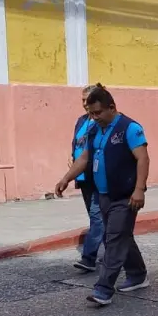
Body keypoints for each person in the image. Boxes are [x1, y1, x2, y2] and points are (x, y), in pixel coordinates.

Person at [54, 87, 150, 306]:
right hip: (103, 194)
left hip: (125, 196)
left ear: (112, 108)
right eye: (91, 113)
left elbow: (143, 159)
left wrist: (139, 190)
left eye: (98, 113)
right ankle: (138, 274)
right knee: (120, 235)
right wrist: (66, 178)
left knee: (113, 240)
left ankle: (103, 288)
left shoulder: (130, 128)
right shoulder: (95, 130)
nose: (94, 117)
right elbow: (84, 158)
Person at [71, 84, 108, 273]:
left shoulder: (100, 120)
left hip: (96, 175)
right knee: (98, 217)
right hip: (83, 177)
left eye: (88, 100)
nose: (85, 104)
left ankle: (89, 257)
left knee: (97, 217)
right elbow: (77, 145)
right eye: (82, 100)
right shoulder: (81, 121)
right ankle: (114, 253)